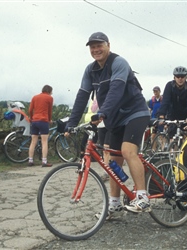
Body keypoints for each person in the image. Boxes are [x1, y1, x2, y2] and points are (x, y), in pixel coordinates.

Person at [65, 32, 151, 215]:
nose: (96, 50)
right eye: (92, 47)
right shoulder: (90, 70)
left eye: (99, 45)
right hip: (115, 118)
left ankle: (143, 197)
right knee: (113, 162)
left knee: (128, 151)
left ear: (108, 45)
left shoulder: (118, 63)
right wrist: (71, 123)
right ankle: (114, 203)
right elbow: (82, 96)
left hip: (135, 112)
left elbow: (116, 90)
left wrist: (102, 112)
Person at [157, 66, 187, 133]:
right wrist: (161, 115)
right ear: (174, 77)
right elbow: (165, 101)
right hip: (172, 113)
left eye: (182, 76)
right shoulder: (169, 86)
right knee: (172, 139)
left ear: (186, 77)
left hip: (186, 113)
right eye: (178, 77)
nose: (180, 79)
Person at [28, 85, 53, 167]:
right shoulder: (49, 98)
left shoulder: (35, 97)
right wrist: (49, 120)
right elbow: (49, 111)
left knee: (33, 141)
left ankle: (30, 160)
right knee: (44, 142)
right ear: (49, 91)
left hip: (35, 121)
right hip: (43, 121)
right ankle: (44, 161)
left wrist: (32, 118)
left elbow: (30, 110)